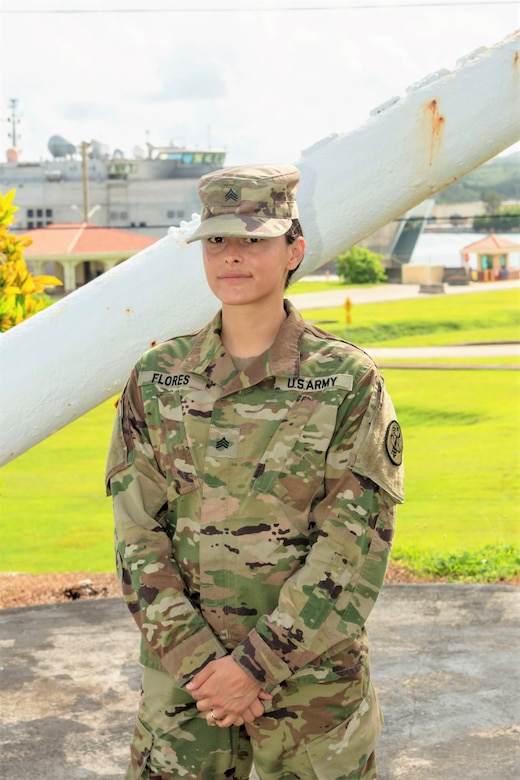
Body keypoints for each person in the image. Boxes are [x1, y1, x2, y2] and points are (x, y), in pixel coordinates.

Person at [105, 164, 404, 780]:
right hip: (189, 700)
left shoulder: (346, 381)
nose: (232, 256)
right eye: (217, 240)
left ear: (294, 249)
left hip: (309, 700)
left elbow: (352, 548)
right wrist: (202, 669)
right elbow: (138, 535)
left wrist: (254, 670)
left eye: (254, 239)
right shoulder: (158, 378)